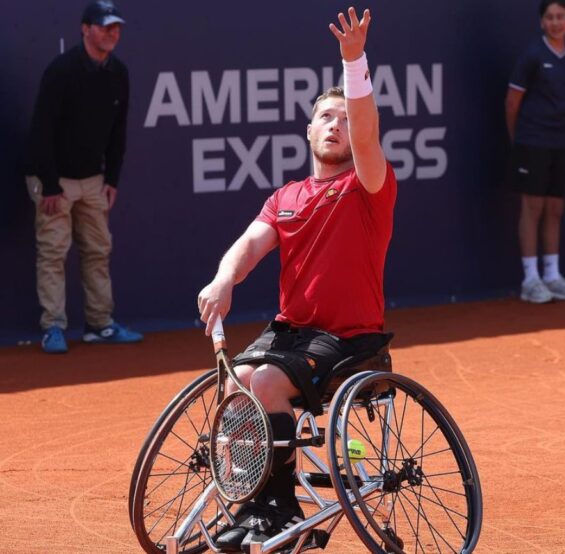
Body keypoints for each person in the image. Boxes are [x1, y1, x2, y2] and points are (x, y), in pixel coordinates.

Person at [197, 7, 397, 551]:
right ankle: (257, 506)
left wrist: (353, 62)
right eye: (325, 118)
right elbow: (249, 245)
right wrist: (223, 280)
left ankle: (280, 512)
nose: (336, 125)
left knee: (263, 384)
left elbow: (366, 123)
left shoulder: (369, 185)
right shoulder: (284, 197)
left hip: (350, 339)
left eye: (344, 118)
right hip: (292, 333)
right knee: (238, 385)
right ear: (308, 131)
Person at [25, 0, 143, 353]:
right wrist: (47, 183)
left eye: (116, 27)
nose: (112, 33)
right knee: (53, 252)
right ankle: (53, 328)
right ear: (85, 29)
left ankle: (100, 324)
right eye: (105, 26)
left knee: (97, 251)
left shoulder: (118, 73)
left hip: (93, 179)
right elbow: (41, 130)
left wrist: (112, 179)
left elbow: (117, 131)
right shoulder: (61, 71)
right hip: (53, 181)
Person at [506, 0, 565, 303]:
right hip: (531, 140)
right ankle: (531, 279)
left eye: (560, 17)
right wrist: (519, 140)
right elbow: (512, 102)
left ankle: (552, 275)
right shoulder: (532, 56)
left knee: (555, 209)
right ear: (542, 22)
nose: (555, 22)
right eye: (549, 17)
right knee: (533, 207)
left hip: (560, 142)